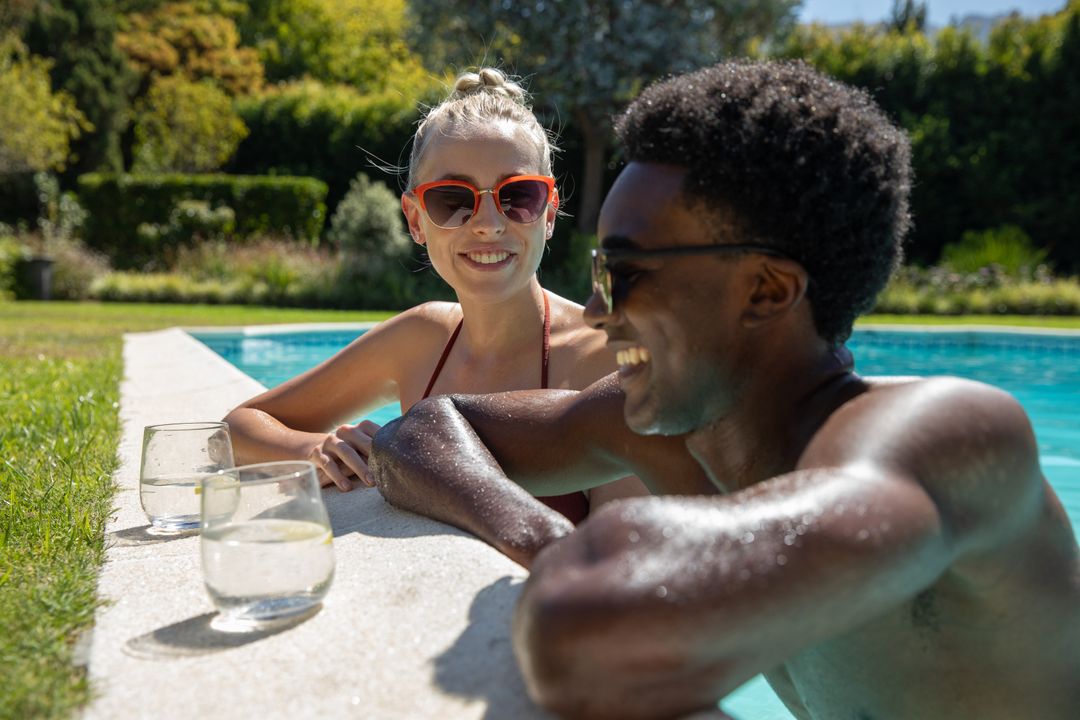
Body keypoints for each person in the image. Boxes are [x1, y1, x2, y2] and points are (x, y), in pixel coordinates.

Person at [369, 60, 1080, 719]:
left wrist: (595, 562)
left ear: (766, 290)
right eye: (598, 273)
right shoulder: (678, 426)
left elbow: (577, 640)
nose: (597, 312)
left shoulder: (955, 439)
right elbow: (420, 432)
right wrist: (540, 536)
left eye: (626, 273)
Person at [224, 68, 653, 523]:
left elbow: (627, 549)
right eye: (453, 200)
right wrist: (313, 449)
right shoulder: (419, 340)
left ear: (548, 214)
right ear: (415, 219)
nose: (488, 223)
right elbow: (238, 427)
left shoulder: (605, 361)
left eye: (517, 196)